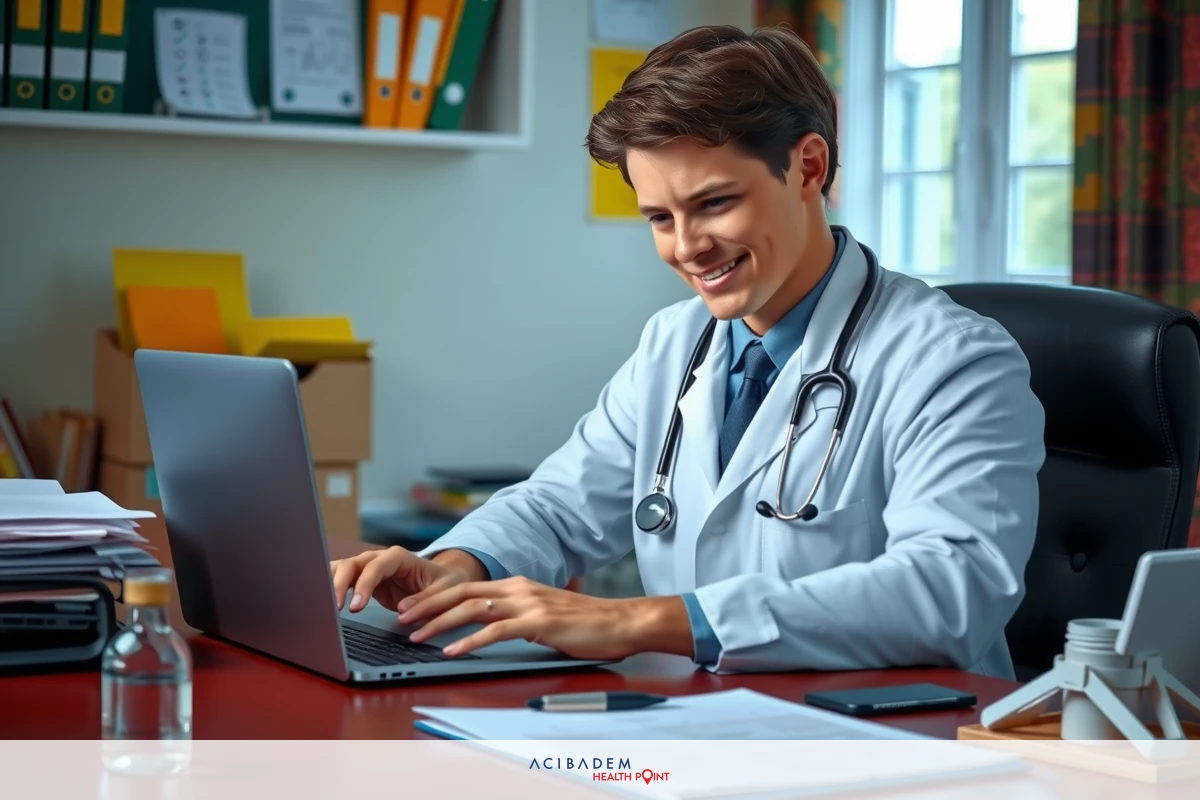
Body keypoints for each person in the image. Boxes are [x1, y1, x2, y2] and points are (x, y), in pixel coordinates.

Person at [330, 24, 1045, 679]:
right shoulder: (676, 342)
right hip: (705, 726)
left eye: (713, 204)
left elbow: (952, 590)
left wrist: (633, 620)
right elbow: (559, 505)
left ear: (808, 167)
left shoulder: (954, 361)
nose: (686, 248)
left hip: (894, 739)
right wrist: (457, 566)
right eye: (659, 218)